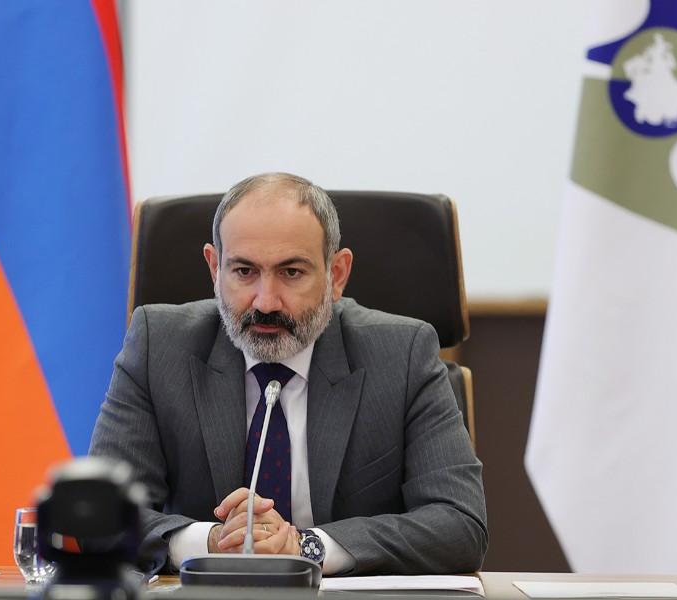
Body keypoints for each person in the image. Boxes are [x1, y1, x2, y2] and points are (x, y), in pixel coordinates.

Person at [90, 173, 487, 575]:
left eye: (291, 272)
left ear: (336, 275)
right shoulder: (158, 346)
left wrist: (305, 546)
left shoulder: (402, 354)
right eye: (244, 271)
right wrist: (212, 542)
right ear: (214, 268)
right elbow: (97, 515)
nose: (265, 302)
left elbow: (460, 524)